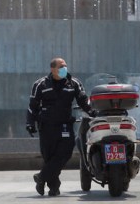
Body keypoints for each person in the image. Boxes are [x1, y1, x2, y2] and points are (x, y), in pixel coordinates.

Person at [26, 57, 96, 196]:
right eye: (61, 66)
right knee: (49, 156)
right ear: (53, 69)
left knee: (65, 153)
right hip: (46, 127)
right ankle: (54, 188)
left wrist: (93, 112)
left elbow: (83, 101)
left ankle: (41, 177)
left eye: (65, 66)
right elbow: (32, 106)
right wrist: (30, 123)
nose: (64, 68)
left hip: (65, 126)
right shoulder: (40, 84)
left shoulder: (74, 83)